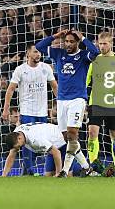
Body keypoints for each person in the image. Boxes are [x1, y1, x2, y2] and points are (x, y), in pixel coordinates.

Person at [36, 30, 99, 177]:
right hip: (62, 100)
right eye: (67, 41)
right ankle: (86, 166)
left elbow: (95, 52)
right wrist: (55, 36)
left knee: (72, 133)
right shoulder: (58, 54)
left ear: (77, 43)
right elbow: (39, 46)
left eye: (72, 41)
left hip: (77, 99)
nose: (68, 44)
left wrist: (83, 37)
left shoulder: (83, 56)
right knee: (67, 137)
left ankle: (64, 170)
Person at [2, 45, 58, 175]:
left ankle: (27, 168)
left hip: (42, 112)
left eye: (39, 52)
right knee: (26, 140)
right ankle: (30, 170)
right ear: (28, 53)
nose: (38, 54)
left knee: (40, 142)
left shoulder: (45, 68)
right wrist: (6, 108)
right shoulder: (20, 70)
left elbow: (55, 87)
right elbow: (10, 89)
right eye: (35, 52)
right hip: (27, 112)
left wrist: (61, 104)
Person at [86, 32, 115, 172]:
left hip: (112, 103)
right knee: (92, 132)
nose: (102, 46)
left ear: (111, 44)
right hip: (95, 102)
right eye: (100, 44)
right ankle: (93, 164)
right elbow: (86, 82)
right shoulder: (95, 61)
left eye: (105, 44)